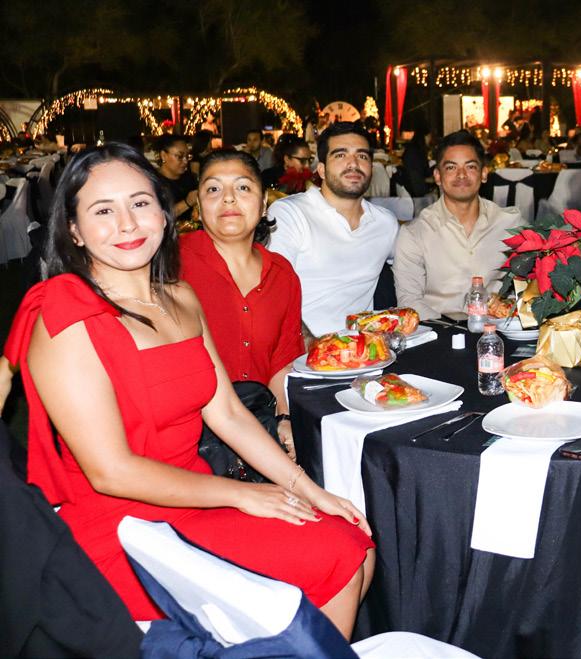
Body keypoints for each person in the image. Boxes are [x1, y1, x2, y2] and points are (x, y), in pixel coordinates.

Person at [4, 143, 374, 634]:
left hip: (194, 495)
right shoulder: (64, 315)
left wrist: (306, 488)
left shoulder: (180, 297)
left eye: (140, 203)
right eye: (103, 211)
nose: (127, 224)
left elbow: (228, 412)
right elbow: (110, 472)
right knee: (339, 554)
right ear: (73, 229)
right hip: (124, 526)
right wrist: (241, 496)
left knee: (352, 538)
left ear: (164, 212)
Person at [180, 149, 304, 458]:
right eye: (213, 189)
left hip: (260, 429)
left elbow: (282, 360)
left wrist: (284, 418)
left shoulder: (282, 274)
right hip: (191, 440)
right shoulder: (171, 265)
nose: (228, 198)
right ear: (199, 206)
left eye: (243, 187)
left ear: (263, 204)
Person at [268, 122, 398, 337]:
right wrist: (311, 345)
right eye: (340, 155)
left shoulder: (385, 223)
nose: (353, 163)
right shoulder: (290, 213)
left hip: (366, 349)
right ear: (321, 170)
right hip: (301, 347)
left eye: (362, 156)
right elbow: (272, 295)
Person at [393, 130, 524, 320]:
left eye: (470, 167)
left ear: (484, 173)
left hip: (500, 328)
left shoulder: (510, 224)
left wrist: (508, 307)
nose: (461, 175)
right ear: (437, 176)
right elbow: (409, 301)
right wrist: (454, 328)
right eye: (451, 167)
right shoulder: (415, 233)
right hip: (439, 330)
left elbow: (531, 285)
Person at [153, 135, 197, 222]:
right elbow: (158, 216)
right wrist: (187, 202)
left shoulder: (189, 178)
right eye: (179, 156)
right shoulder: (154, 182)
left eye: (187, 156)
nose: (185, 161)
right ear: (163, 155)